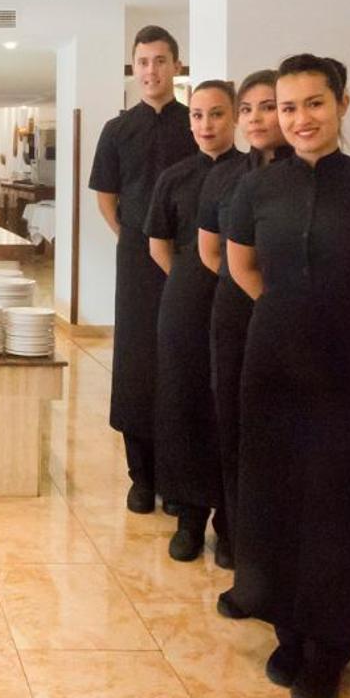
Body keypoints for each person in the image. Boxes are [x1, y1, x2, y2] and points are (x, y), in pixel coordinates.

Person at [224, 54, 350, 698]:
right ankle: (287, 628)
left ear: (341, 105)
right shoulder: (257, 189)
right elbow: (243, 266)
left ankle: (332, 646)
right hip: (273, 360)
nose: (300, 118)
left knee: (343, 500)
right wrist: (287, 317)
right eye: (288, 107)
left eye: (314, 103)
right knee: (274, 493)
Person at [88, 25, 196, 513]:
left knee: (181, 359)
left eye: (161, 60)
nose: (152, 70)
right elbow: (106, 197)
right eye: (143, 62)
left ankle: (177, 477)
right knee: (136, 360)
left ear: (177, 66)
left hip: (189, 257)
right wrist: (134, 238)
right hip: (135, 258)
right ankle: (141, 476)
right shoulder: (117, 130)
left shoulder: (194, 124)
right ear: (134, 68)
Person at [144, 80, 246, 562]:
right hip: (185, 300)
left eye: (217, 114)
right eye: (198, 115)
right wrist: (189, 281)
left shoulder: (252, 173)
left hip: (239, 297)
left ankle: (229, 524)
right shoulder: (174, 177)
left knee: (227, 406)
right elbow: (158, 245)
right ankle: (188, 518)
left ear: (235, 117)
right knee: (182, 402)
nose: (206, 125)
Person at [198, 69, 285, 601]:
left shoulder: (307, 175)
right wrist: (256, 293)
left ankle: (279, 554)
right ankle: (235, 537)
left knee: (282, 435)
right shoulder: (229, 177)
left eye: (268, 106)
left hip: (295, 320)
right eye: (247, 109)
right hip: (236, 313)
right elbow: (211, 253)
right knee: (232, 426)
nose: (256, 118)